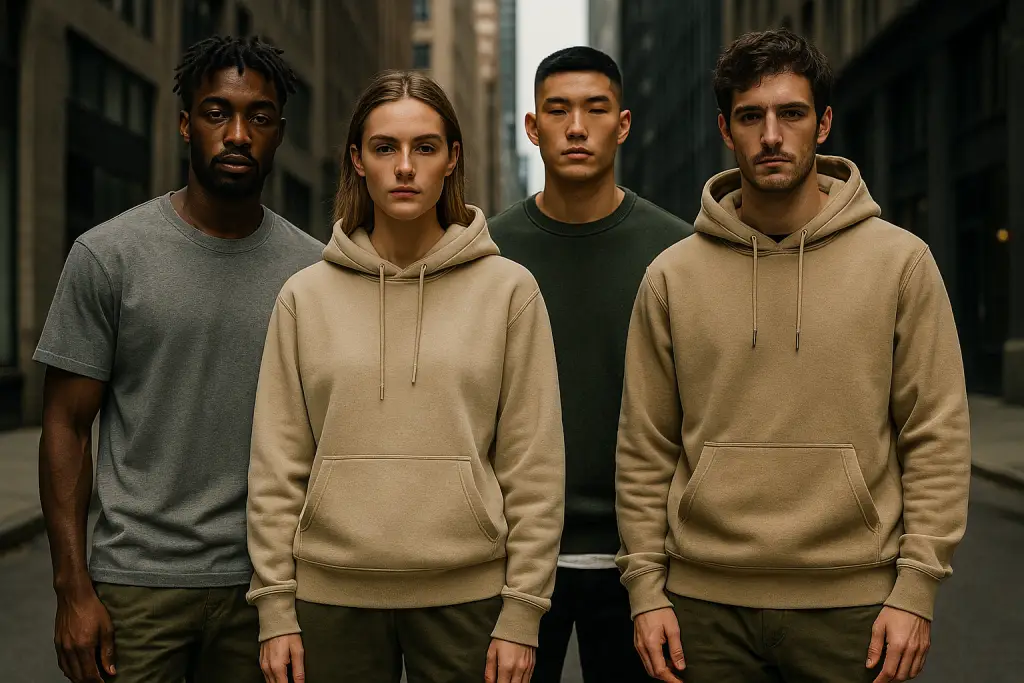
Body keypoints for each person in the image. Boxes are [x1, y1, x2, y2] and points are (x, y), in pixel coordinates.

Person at [615, 29, 971, 683]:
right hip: (704, 606)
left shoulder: (900, 264)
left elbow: (936, 438)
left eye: (791, 113)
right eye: (751, 116)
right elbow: (645, 450)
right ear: (726, 129)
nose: (771, 135)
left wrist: (916, 590)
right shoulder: (671, 277)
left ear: (825, 122)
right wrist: (645, 590)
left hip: (852, 607)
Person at [246, 69, 565, 683]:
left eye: (424, 147)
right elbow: (277, 465)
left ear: (452, 160)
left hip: (467, 598)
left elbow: (533, 466)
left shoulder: (508, 292)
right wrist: (276, 610)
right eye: (384, 147)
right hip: (331, 599)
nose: (404, 167)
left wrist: (523, 612)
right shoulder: (304, 297)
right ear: (357, 162)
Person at [34, 36, 323, 683]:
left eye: (260, 117)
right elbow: (66, 425)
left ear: (280, 131)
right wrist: (72, 589)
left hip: (268, 588)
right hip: (137, 586)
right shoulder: (108, 256)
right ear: (186, 123)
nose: (239, 133)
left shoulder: (315, 272)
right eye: (218, 113)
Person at [490, 46, 689, 682]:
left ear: (622, 124)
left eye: (595, 109)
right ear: (533, 127)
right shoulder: (487, 252)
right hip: (513, 561)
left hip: (643, 565)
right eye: (558, 110)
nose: (577, 126)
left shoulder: (679, 251)